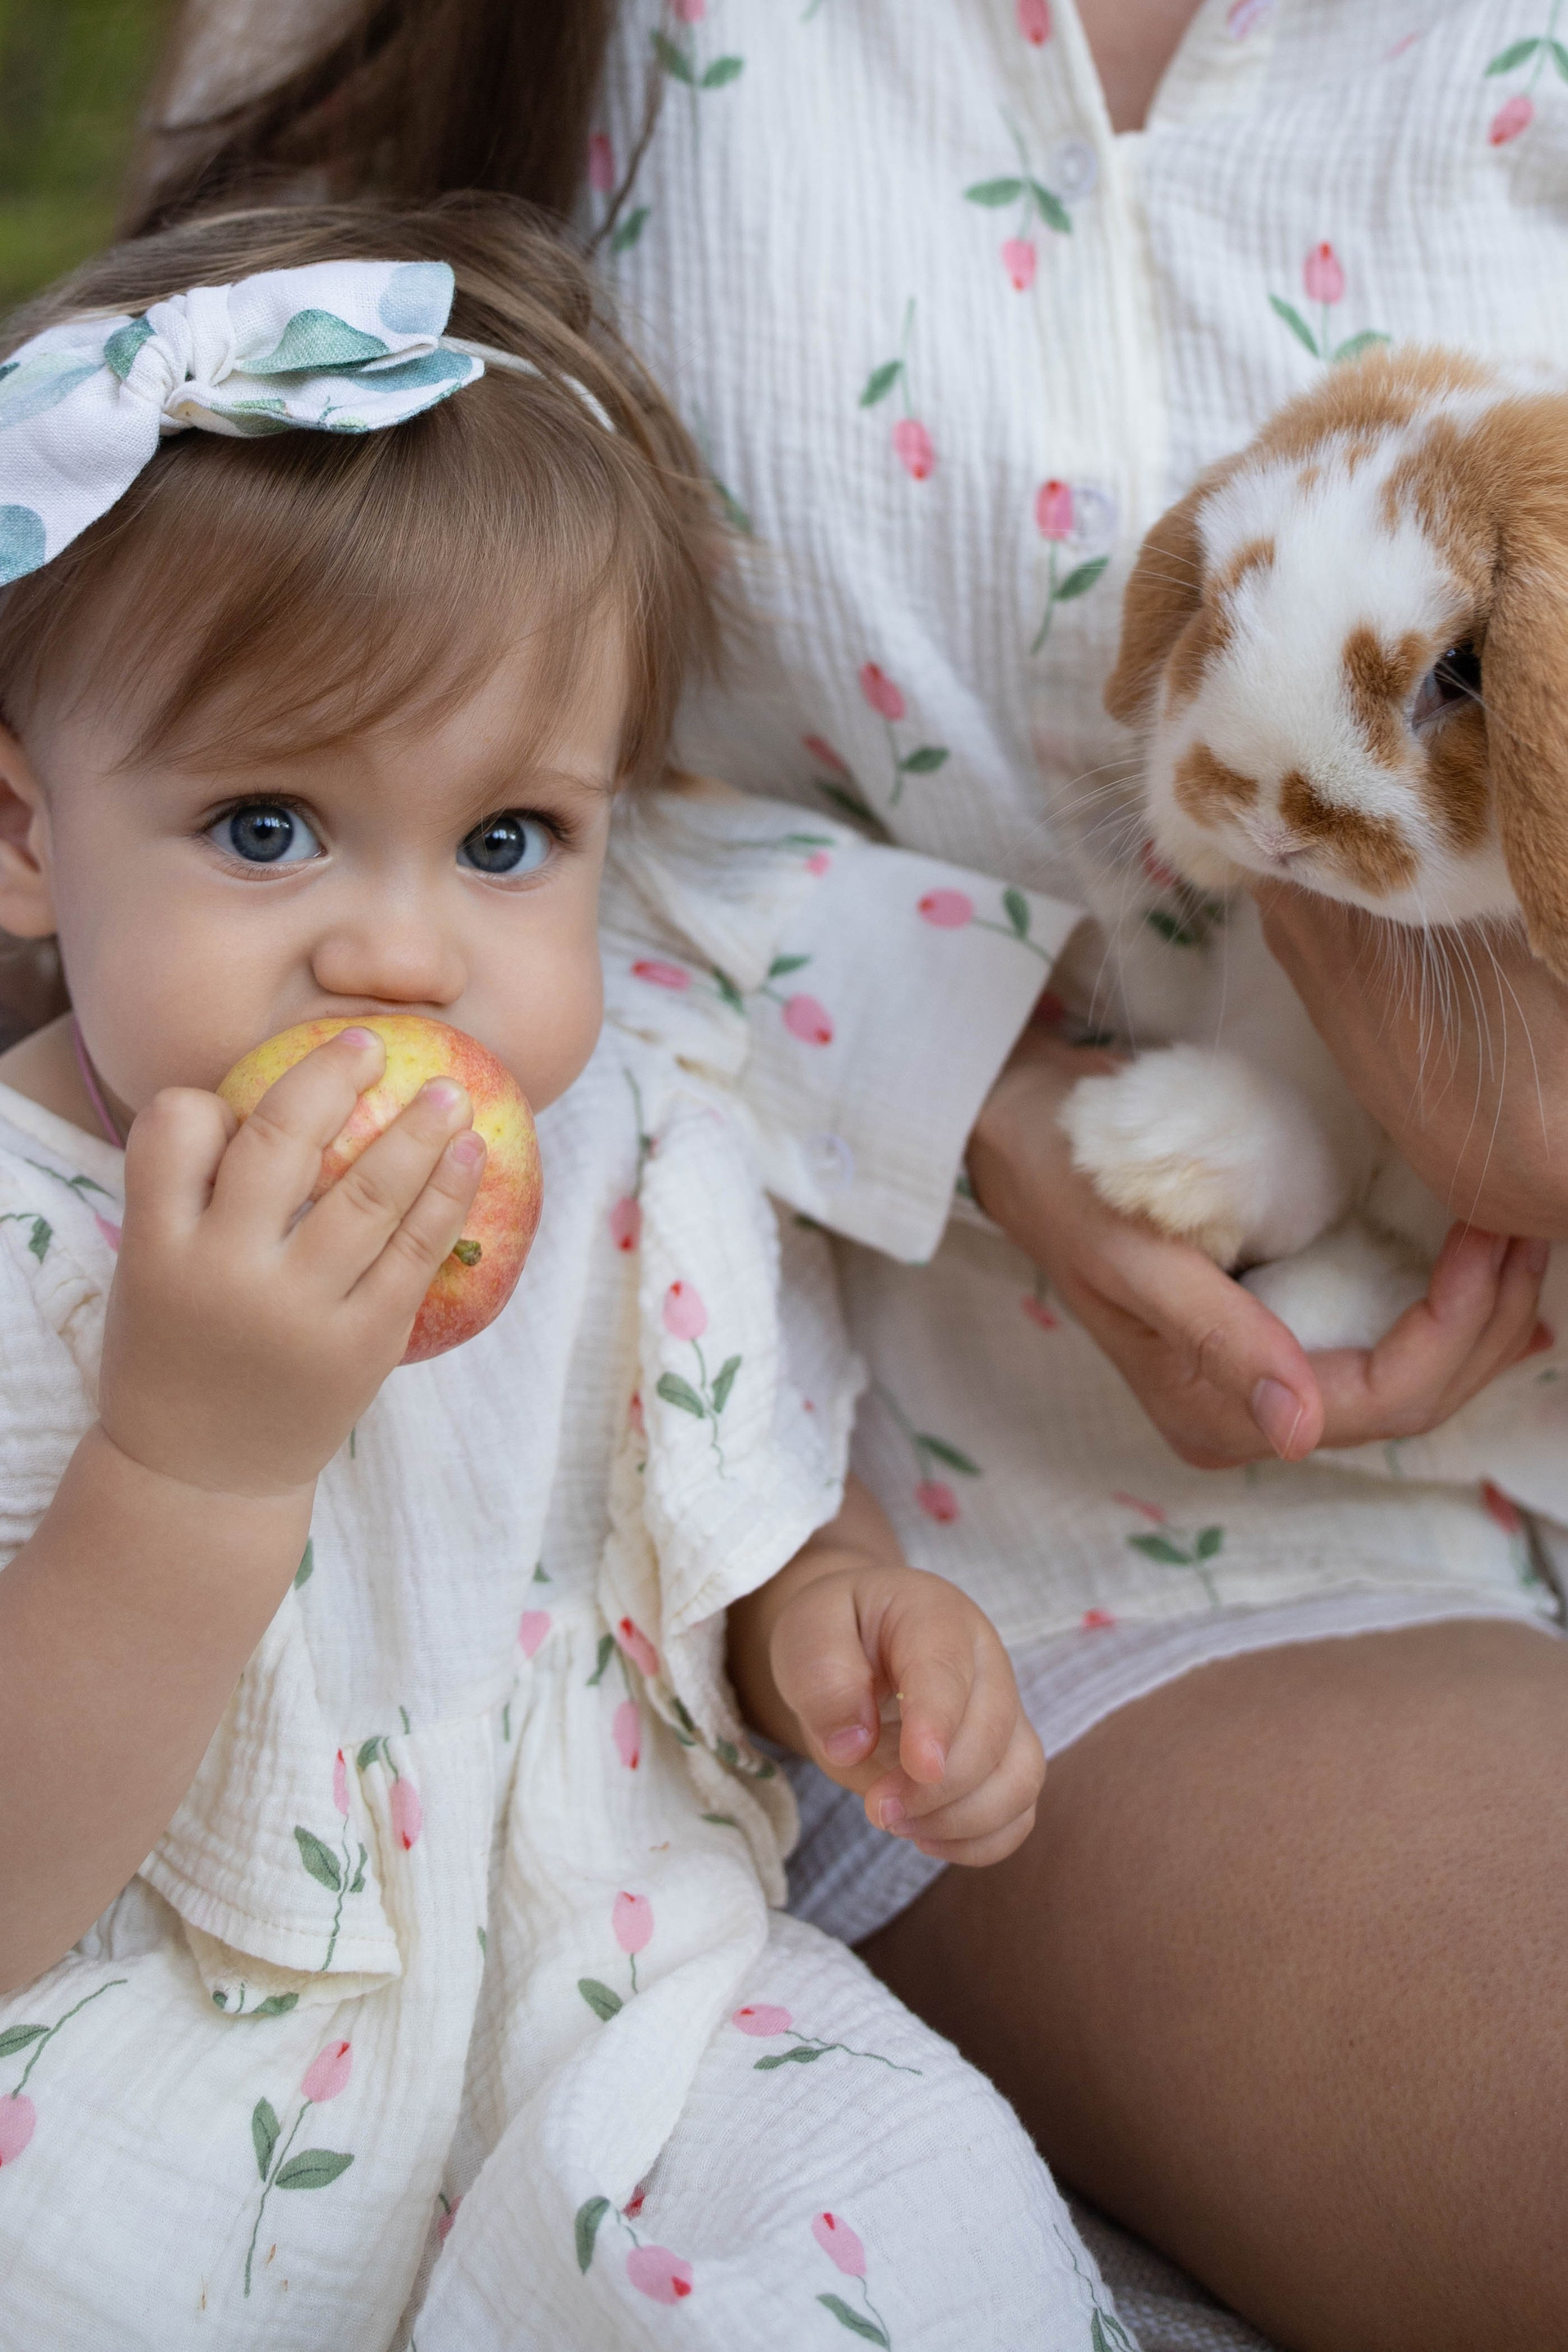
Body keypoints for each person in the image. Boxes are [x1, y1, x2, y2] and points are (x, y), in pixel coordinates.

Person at [92, 4, 1568, 2345]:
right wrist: (970, 1072)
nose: (387, 936)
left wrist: (1511, 1131)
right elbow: (263, 694)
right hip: (1053, 1512)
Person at [0, 194, 1137, 2350]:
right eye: (266, 827)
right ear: (28, 836)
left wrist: (834, 1617)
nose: (403, 951)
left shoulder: (624, 1138)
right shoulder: (25, 1233)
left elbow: (708, 1493)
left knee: (905, 2204)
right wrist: (188, 1471)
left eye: (507, 841)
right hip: (174, 2042)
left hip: (616, 1978)